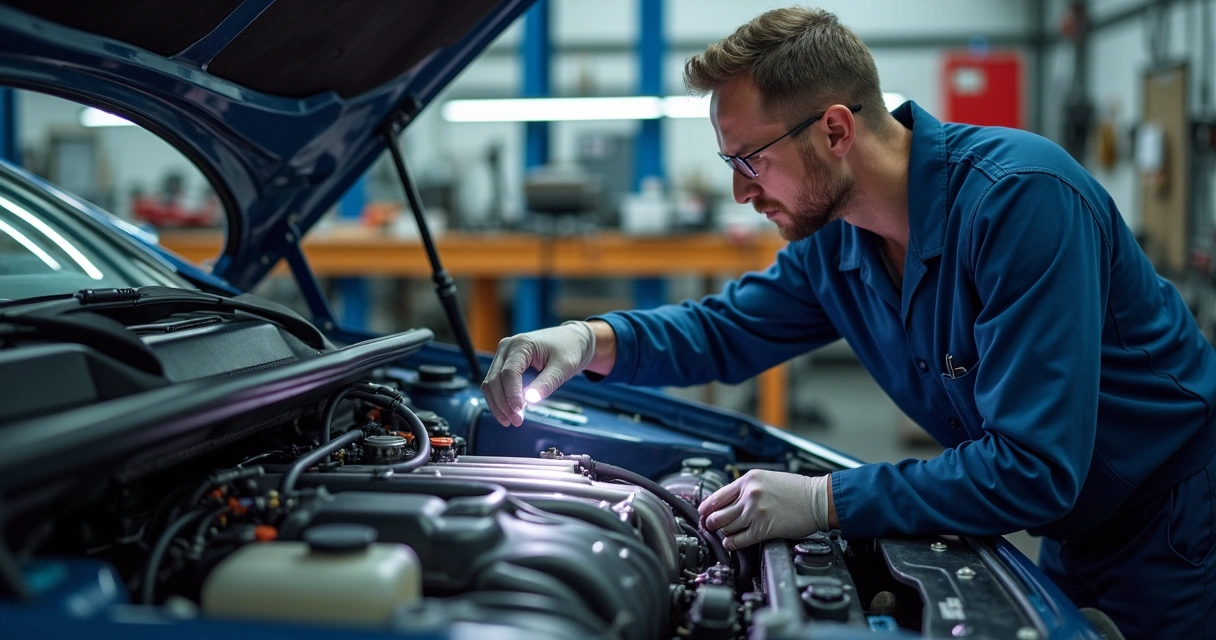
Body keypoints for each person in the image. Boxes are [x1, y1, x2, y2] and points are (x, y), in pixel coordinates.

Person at [480, 7, 1216, 638]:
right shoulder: (836, 242)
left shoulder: (1020, 202)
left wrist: (826, 502)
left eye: (751, 161)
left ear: (835, 129)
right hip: (1076, 527)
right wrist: (587, 340)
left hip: (1175, 529)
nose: (740, 192)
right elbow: (724, 329)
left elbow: (1033, 468)